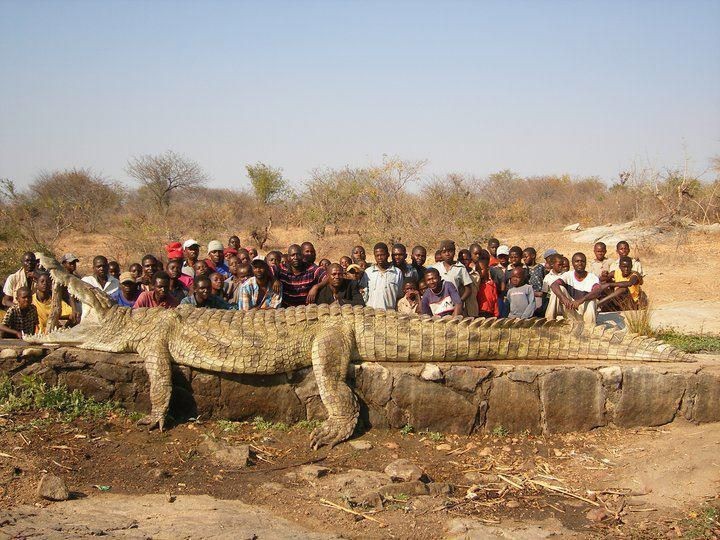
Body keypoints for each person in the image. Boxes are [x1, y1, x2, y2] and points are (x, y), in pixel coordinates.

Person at [547, 252, 602, 324]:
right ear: (572, 263)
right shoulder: (568, 275)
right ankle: (549, 322)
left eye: (582, 261)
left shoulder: (592, 277)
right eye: (577, 261)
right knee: (559, 290)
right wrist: (564, 298)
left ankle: (589, 327)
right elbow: (554, 285)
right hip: (571, 310)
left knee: (591, 300)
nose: (580, 264)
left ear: (585, 263)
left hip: (585, 313)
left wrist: (581, 300)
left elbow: (597, 290)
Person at [432, 240, 473, 313]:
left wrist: (459, 302)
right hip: (439, 306)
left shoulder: (460, 267)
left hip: (454, 307)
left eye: (450, 251)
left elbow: (468, 289)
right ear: (441, 254)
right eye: (444, 252)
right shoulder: (436, 268)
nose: (447, 254)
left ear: (454, 252)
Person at [364, 243, 403, 310]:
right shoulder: (368, 272)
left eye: (382, 255)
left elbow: (399, 295)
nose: (379, 258)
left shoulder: (397, 272)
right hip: (371, 313)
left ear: (388, 255)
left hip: (389, 314)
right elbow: (364, 293)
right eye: (377, 255)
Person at [522, 247, 545, 315]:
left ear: (533, 256)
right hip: (528, 296)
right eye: (523, 257)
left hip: (540, 296)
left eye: (526, 257)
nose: (524, 259)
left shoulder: (540, 267)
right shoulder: (524, 269)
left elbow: (544, 280)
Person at [462, 246, 481, 317]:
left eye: (466, 259)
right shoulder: (456, 274)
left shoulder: (475, 275)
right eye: (462, 260)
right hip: (461, 310)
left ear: (470, 259)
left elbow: (475, 292)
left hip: (473, 309)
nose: (464, 262)